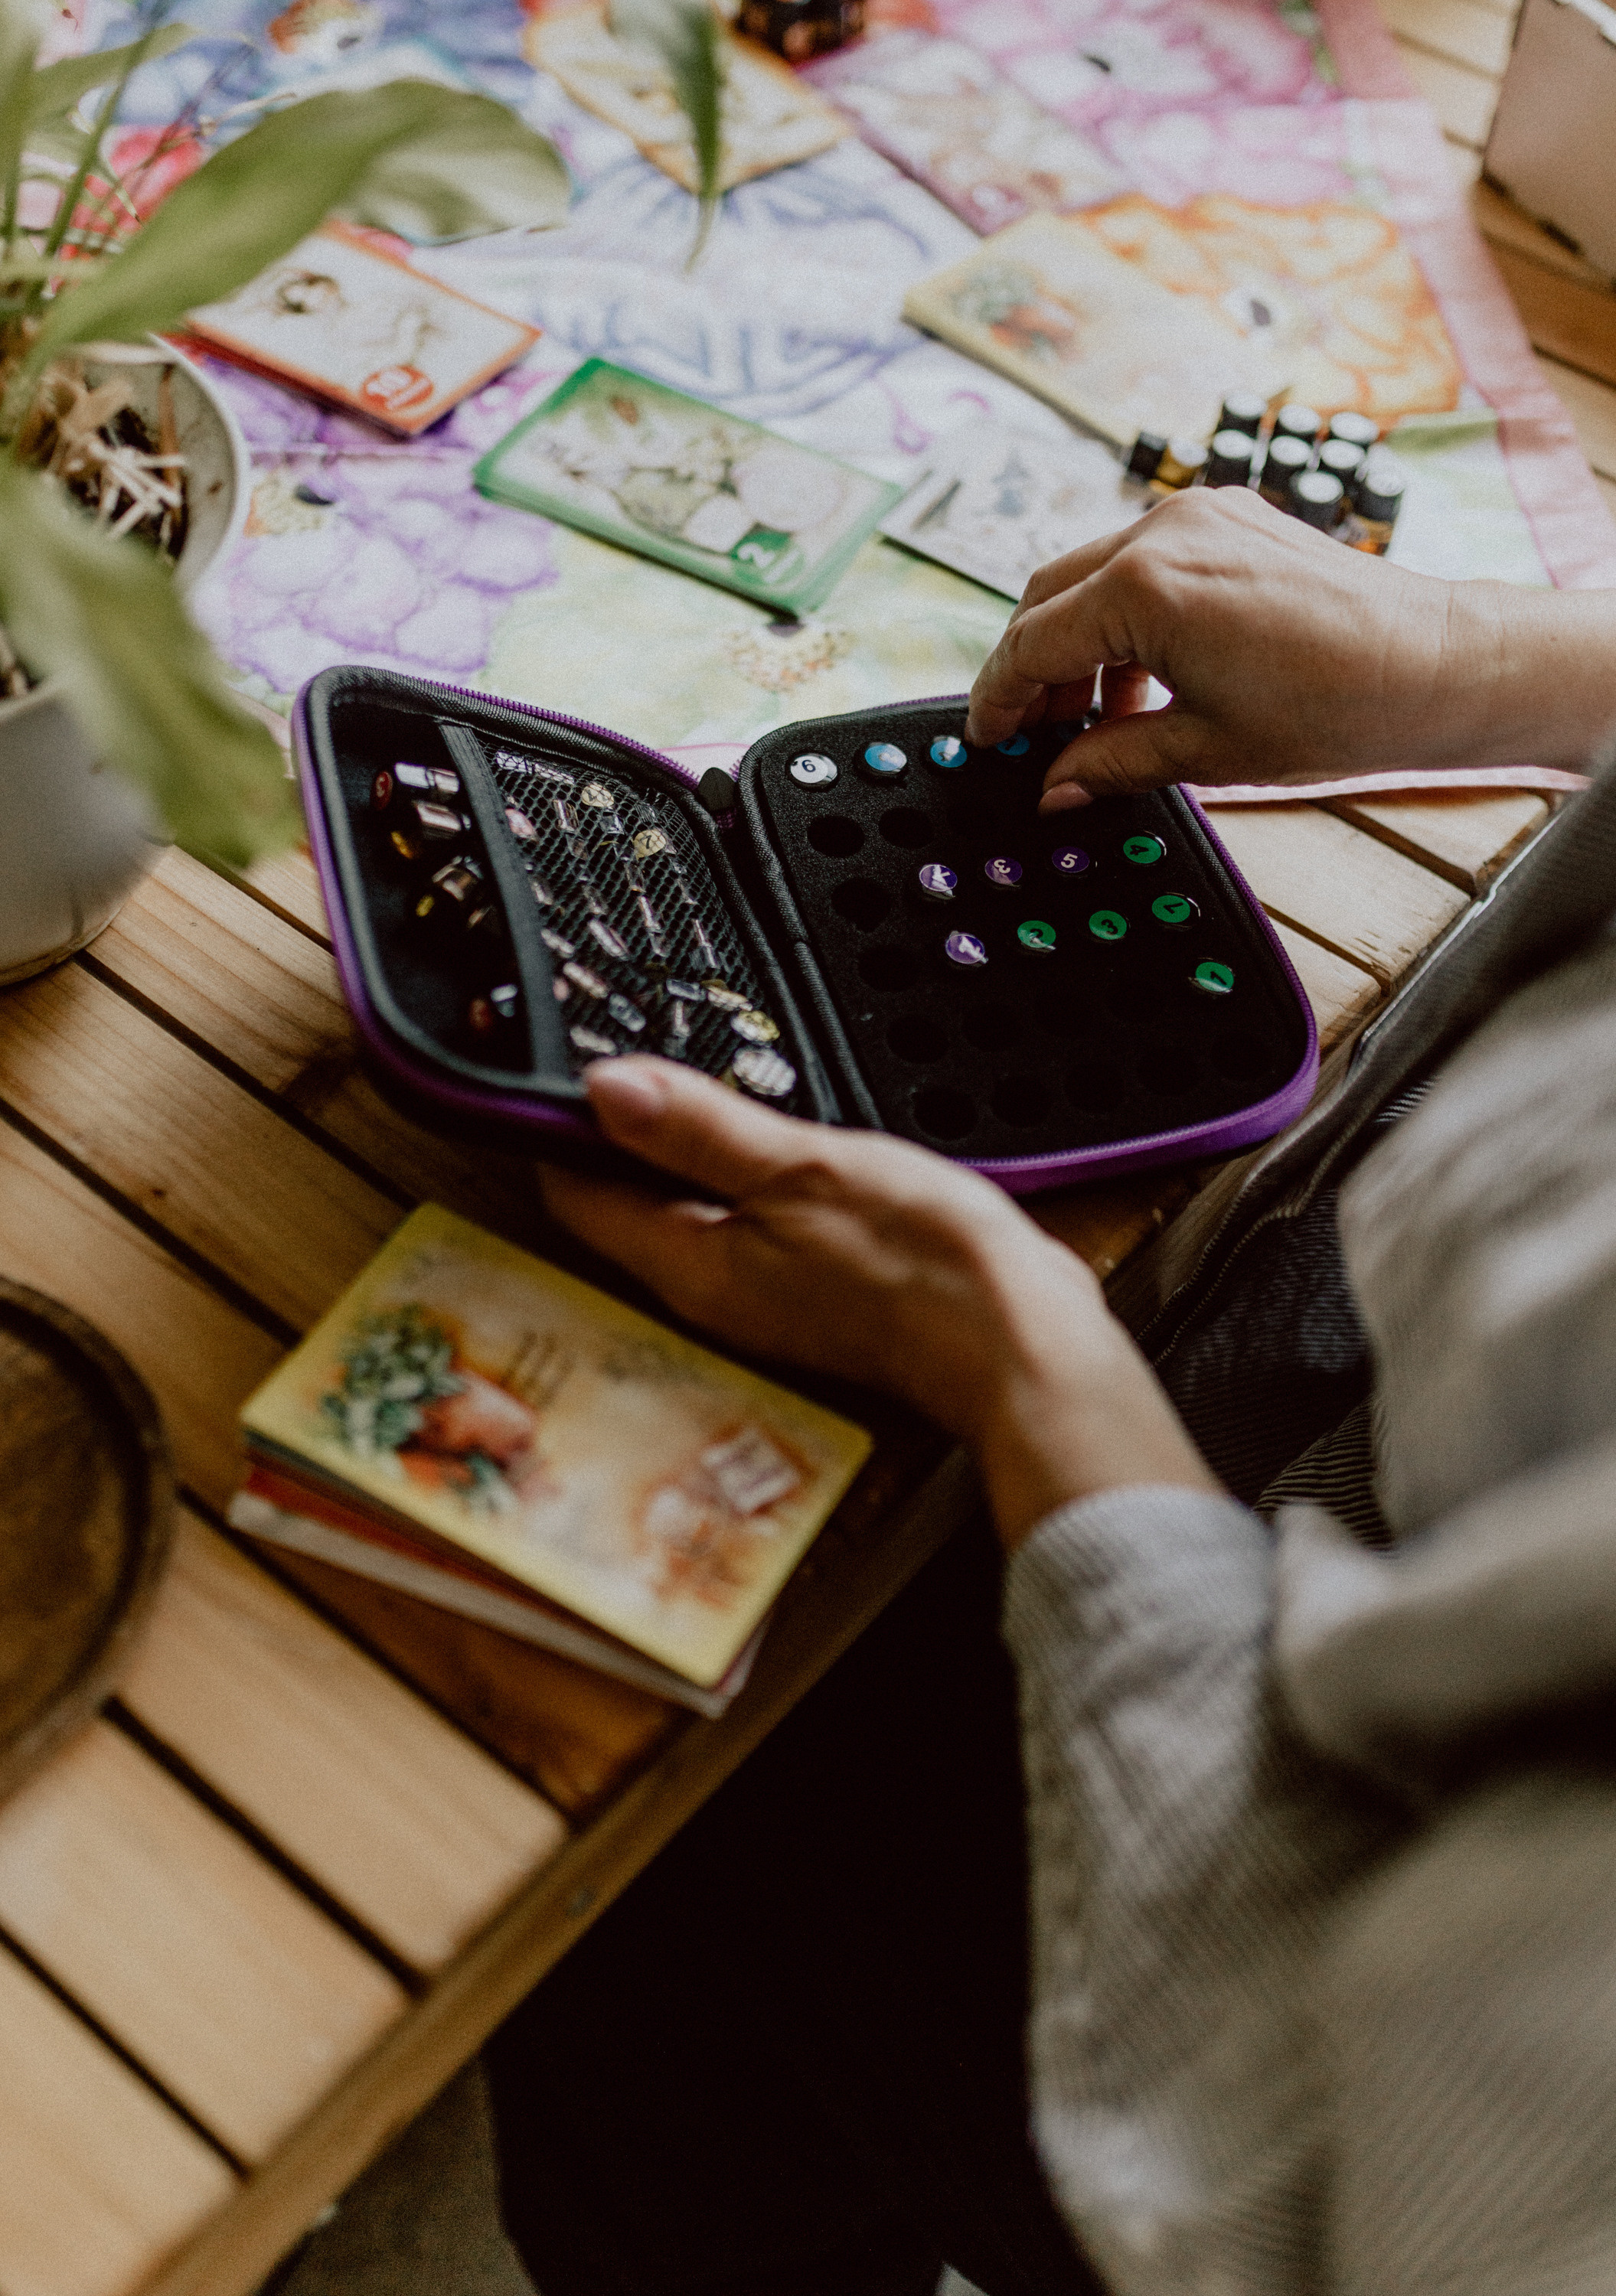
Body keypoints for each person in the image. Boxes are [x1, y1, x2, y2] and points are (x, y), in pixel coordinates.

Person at [486, 486, 1616, 2296]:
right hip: (1386, 1419)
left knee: (685, 1889)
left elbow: (1337, 2193)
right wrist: (1490, 659)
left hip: (1308, 1920)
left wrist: (1026, 1366)